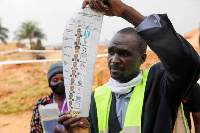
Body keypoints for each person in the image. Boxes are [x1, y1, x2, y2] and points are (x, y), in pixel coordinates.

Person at [57, 0, 200, 133]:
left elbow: (186, 61)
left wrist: (125, 11)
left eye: (124, 54)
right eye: (111, 52)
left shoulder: (159, 84)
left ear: (142, 59)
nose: (114, 60)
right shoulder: (97, 97)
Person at [30, 62, 68, 133]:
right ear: (49, 84)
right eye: (55, 80)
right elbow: (34, 129)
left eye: (63, 79)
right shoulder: (42, 103)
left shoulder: (76, 103)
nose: (59, 82)